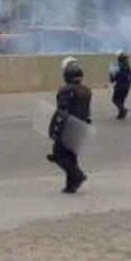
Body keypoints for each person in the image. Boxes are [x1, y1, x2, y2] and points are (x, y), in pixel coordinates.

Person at [46, 57, 91, 193]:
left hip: (68, 127)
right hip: (81, 125)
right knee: (71, 157)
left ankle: (78, 176)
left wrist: (56, 130)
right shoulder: (86, 90)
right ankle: (71, 186)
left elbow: (62, 111)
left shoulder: (66, 90)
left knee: (59, 155)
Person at [107, 50, 131, 120]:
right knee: (121, 100)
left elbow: (112, 77)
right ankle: (121, 115)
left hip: (119, 86)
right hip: (127, 86)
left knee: (115, 100)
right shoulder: (128, 66)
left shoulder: (116, 67)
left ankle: (123, 110)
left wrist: (111, 78)